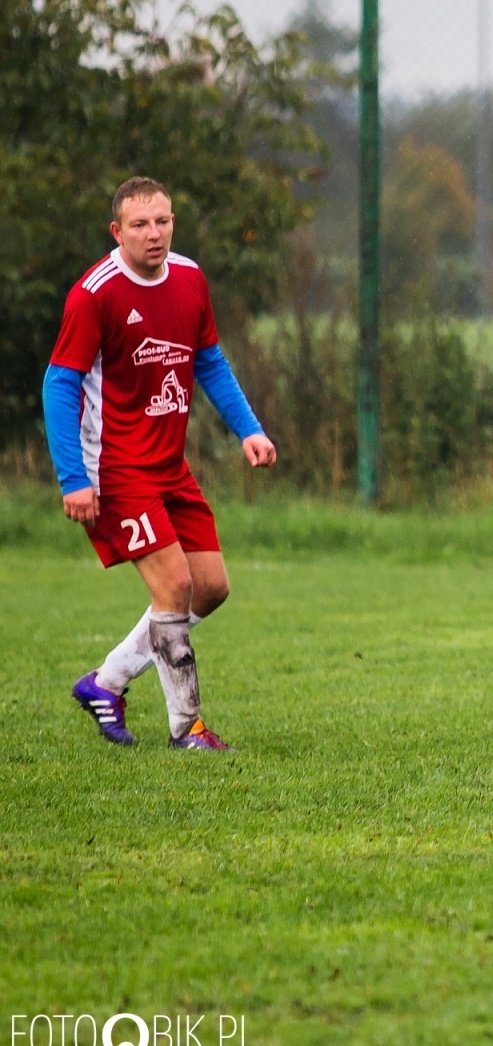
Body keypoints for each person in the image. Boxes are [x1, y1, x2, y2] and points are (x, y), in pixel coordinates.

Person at [43, 176, 277, 750]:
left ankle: (107, 682)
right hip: (116, 468)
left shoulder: (191, 278)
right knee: (174, 586)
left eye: (163, 221)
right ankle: (187, 729)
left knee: (211, 587)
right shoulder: (94, 293)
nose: (155, 234)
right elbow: (59, 382)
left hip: (170, 465)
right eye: (141, 225)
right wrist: (74, 478)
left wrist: (248, 428)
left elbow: (210, 361)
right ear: (116, 231)